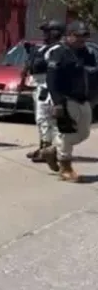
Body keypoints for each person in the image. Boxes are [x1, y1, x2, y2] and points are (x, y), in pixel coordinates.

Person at [42, 22, 96, 182]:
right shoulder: (59, 53)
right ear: (69, 35)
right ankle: (65, 168)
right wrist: (57, 103)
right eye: (78, 35)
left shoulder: (87, 53)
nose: (82, 39)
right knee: (67, 133)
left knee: (84, 133)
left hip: (84, 99)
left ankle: (52, 150)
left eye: (85, 35)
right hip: (66, 99)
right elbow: (51, 80)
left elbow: (92, 75)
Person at [21, 20, 65, 162]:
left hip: (48, 87)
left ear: (54, 33)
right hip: (39, 86)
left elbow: (49, 68)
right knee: (42, 119)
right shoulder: (45, 48)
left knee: (47, 119)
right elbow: (33, 62)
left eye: (47, 31)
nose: (44, 34)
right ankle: (44, 147)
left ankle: (51, 150)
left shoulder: (57, 49)